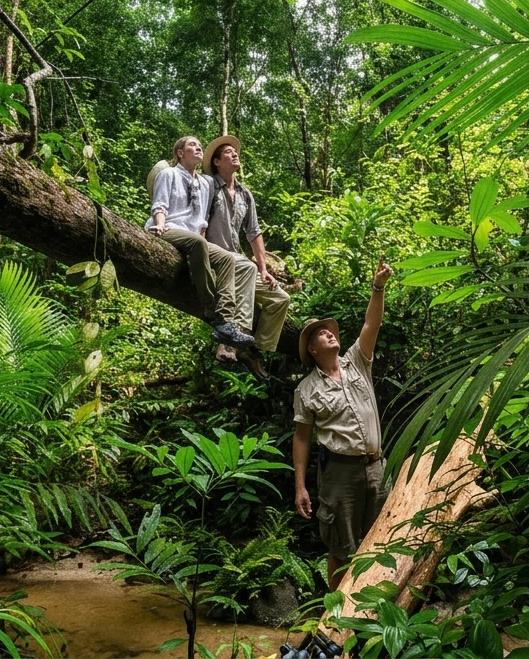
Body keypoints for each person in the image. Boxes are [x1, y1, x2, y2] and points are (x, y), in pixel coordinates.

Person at [292, 256, 393, 591]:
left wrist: (377, 287)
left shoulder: (357, 363)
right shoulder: (306, 389)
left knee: (382, 538)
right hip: (339, 475)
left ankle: (378, 605)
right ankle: (336, 616)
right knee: (340, 547)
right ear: (312, 349)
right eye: (321, 334)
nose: (329, 334)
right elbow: (302, 438)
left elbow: (371, 325)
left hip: (375, 467)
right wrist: (301, 486)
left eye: (330, 331)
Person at [146, 135, 255, 350]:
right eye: (192, 145)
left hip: (194, 236)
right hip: (167, 229)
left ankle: (225, 322)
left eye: (199, 146)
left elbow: (202, 220)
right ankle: (210, 306)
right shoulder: (168, 174)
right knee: (198, 243)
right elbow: (159, 205)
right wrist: (159, 225)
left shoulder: (205, 183)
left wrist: (205, 241)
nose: (198, 148)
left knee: (226, 258)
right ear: (180, 153)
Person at [202, 135, 290, 380]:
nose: (235, 154)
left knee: (280, 299)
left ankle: (252, 349)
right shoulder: (208, 186)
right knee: (245, 267)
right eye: (228, 152)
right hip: (215, 258)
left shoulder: (245, 194)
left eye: (235, 151)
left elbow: (254, 233)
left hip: (240, 262)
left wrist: (264, 268)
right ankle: (231, 341)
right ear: (217, 162)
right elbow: (198, 220)